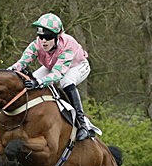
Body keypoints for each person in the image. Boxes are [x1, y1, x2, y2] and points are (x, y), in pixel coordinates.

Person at [8, 13, 96, 141]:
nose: (43, 41)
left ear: (57, 37)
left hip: (76, 66)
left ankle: (82, 124)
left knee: (66, 82)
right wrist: (7, 72)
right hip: (54, 65)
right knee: (32, 80)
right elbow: (21, 63)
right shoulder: (37, 44)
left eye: (48, 37)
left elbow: (57, 74)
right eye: (41, 36)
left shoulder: (68, 46)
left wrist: (39, 82)